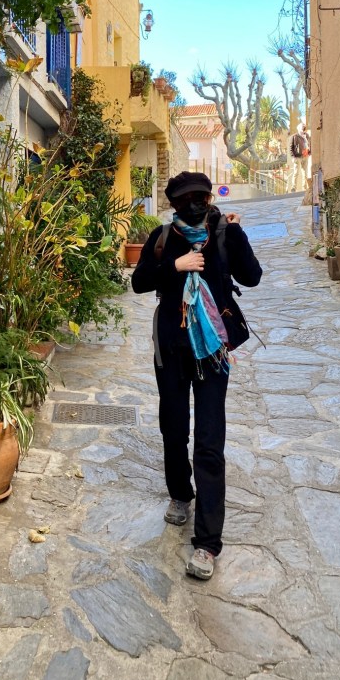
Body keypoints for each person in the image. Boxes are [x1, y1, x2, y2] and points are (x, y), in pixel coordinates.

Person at [131, 172, 262, 580]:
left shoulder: (224, 233)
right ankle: (180, 495)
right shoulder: (162, 238)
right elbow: (139, 283)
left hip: (212, 353)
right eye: (185, 200)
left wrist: (237, 236)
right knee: (173, 428)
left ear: (209, 198)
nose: (194, 205)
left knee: (209, 441)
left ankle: (207, 543)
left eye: (200, 197)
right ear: (173, 204)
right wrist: (176, 265)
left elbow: (252, 277)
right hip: (171, 348)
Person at [287, 122, 310, 192]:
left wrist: (309, 153)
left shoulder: (307, 136)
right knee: (296, 172)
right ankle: (294, 188)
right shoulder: (294, 137)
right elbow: (290, 148)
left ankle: (305, 188)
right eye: (302, 127)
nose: (304, 129)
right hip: (297, 157)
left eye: (304, 127)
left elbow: (310, 144)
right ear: (299, 128)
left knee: (305, 173)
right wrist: (293, 157)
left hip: (305, 156)